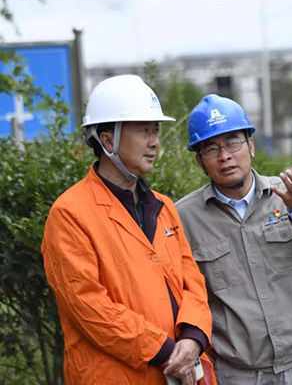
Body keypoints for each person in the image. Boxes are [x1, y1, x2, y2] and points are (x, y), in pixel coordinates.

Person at [42, 75, 214, 385]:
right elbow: (89, 306)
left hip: (181, 370)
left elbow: (193, 283)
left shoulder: (163, 206)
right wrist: (165, 351)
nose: (154, 142)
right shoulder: (69, 213)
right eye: (143, 130)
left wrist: (193, 337)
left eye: (155, 130)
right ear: (107, 141)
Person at [175, 94, 292, 384]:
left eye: (233, 143)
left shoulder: (286, 193)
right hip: (239, 374)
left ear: (251, 145)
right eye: (211, 148)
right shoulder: (184, 217)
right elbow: (184, 297)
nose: (224, 156)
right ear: (200, 162)